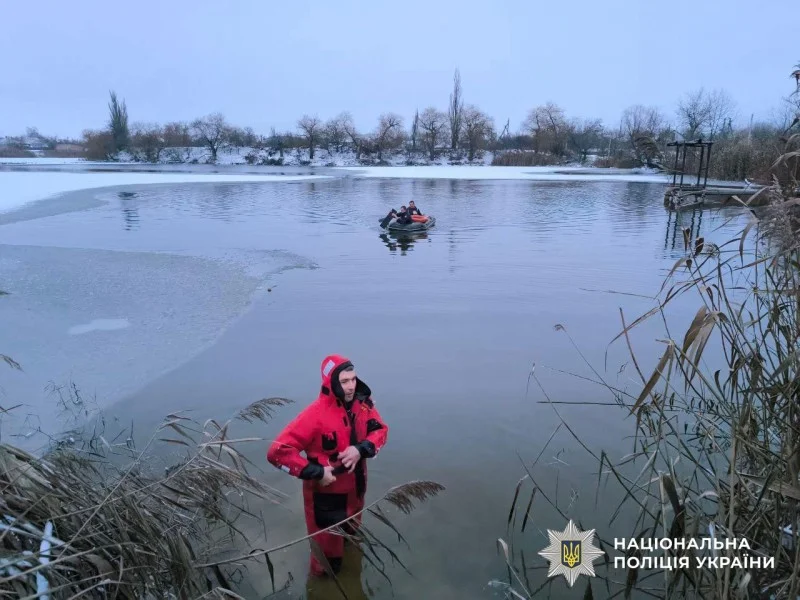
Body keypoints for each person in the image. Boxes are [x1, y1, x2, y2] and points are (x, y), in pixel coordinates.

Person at [266, 355, 389, 577]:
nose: (351, 386)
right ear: (330, 383)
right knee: (327, 564)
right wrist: (317, 472)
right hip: (326, 500)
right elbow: (277, 453)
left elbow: (380, 430)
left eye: (353, 379)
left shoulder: (363, 405)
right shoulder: (314, 416)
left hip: (357, 492)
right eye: (344, 381)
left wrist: (360, 449)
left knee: (351, 541)